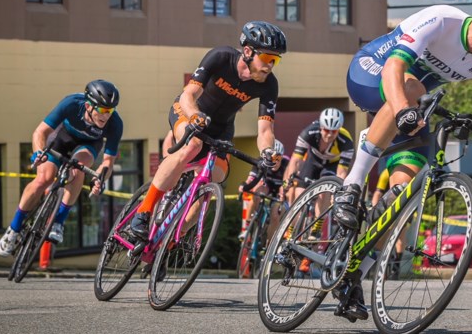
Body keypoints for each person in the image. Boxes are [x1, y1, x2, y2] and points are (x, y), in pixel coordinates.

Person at [331, 0, 472, 320]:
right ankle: (352, 185)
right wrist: (403, 111)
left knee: (402, 195)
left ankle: (351, 274)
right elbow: (394, 69)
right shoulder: (442, 19)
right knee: (412, 89)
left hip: (409, 104)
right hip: (372, 72)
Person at [128, 21, 287, 239]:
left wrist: (267, 152)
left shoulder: (269, 85)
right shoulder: (221, 57)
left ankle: (170, 243)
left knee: (212, 184)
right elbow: (188, 95)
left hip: (221, 129)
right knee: (193, 144)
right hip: (190, 111)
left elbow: (265, 129)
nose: (270, 66)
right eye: (268, 58)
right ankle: (144, 212)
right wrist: (194, 116)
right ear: (248, 51)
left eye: (276, 60)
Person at [0, 80, 122, 256]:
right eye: (102, 110)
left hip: (88, 145)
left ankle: (58, 222)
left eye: (110, 110)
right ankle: (14, 228)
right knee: (44, 178)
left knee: (79, 169)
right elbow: (40, 132)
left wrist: (100, 178)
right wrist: (38, 153)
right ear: (88, 106)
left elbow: (108, 162)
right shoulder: (71, 103)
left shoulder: (115, 124)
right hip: (61, 139)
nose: (106, 115)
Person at [282, 107, 355, 205]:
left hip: (331, 165)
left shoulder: (346, 142)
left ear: (339, 130)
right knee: (299, 193)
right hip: (313, 160)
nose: (329, 135)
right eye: (326, 130)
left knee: (324, 194)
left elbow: (341, 172)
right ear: (321, 127)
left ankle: (318, 220)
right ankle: (299, 219)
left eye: (333, 131)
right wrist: (290, 179)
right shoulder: (308, 133)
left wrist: (338, 190)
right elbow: (296, 160)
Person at [238, 139, 287, 241]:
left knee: (275, 215)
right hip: (266, 185)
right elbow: (251, 179)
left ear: (282, 157)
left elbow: (287, 184)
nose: (275, 162)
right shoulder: (261, 161)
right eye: (273, 159)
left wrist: (283, 194)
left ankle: (270, 243)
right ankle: (246, 228)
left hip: (279, 189)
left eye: (278, 159)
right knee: (257, 192)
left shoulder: (287, 164)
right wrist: (244, 186)